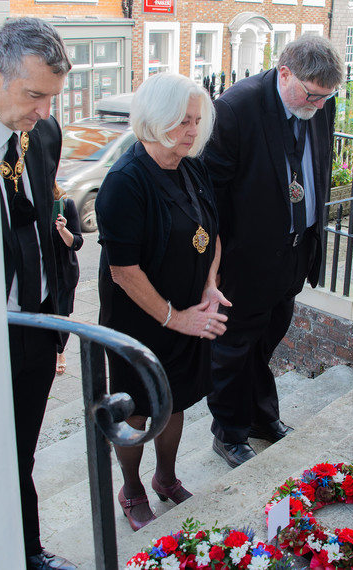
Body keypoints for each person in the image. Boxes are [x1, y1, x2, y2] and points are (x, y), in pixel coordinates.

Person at [95, 73, 231, 531]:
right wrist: (176, 319)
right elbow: (123, 271)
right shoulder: (125, 182)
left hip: (190, 313)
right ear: (155, 120)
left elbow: (210, 234)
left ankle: (166, 477)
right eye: (182, 121)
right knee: (138, 406)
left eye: (197, 120)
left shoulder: (192, 165)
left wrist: (210, 285)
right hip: (143, 319)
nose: (194, 131)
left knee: (175, 400)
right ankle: (132, 487)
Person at [203, 35, 344, 468]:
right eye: (312, 95)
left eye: (327, 97)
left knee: (266, 341)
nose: (319, 106)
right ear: (284, 73)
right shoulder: (235, 107)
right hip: (246, 260)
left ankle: (262, 418)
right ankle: (228, 433)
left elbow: (316, 166)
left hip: (295, 252)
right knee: (233, 350)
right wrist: (215, 268)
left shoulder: (319, 103)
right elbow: (213, 194)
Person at [0, 17, 77, 570]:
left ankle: (26, 550)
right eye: (34, 95)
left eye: (53, 97)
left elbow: (43, 207)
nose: (45, 112)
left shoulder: (41, 133)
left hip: (37, 327)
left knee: (20, 452)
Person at [52, 183, 83, 375]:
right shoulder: (32, 204)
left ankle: (60, 352)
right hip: (43, 273)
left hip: (64, 272)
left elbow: (77, 242)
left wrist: (63, 229)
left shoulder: (65, 203)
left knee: (62, 316)